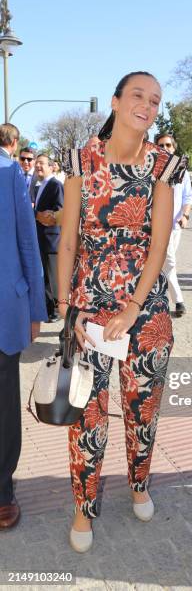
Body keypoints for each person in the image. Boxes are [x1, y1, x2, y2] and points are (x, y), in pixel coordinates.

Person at [58, 71, 186, 553]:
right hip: (89, 309)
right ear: (115, 101)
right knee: (86, 412)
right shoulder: (80, 161)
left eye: (155, 100)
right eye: (138, 95)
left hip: (146, 310)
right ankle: (83, 506)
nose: (148, 105)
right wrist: (67, 309)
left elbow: (157, 245)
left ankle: (138, 482)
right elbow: (68, 239)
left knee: (142, 407)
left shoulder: (164, 166)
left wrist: (133, 308)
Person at [0, 124, 47, 530]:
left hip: (2, 307)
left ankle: (2, 490)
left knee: (2, 400)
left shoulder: (9, 171)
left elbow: (27, 241)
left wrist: (35, 308)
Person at [157, 133, 192, 317]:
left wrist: (185, 215)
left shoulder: (182, 171)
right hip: (155, 227)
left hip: (175, 226)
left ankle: (159, 299)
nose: (165, 148)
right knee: (168, 262)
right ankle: (178, 301)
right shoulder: (151, 169)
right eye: (161, 145)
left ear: (174, 147)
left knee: (164, 263)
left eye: (168, 145)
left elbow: (187, 197)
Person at [34, 154, 64, 322]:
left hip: (52, 240)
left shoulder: (56, 185)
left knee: (53, 278)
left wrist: (46, 216)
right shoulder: (40, 186)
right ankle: (48, 310)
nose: (38, 165)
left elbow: (60, 210)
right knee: (44, 277)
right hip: (41, 239)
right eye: (37, 163)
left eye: (42, 163)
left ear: (52, 167)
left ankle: (57, 311)